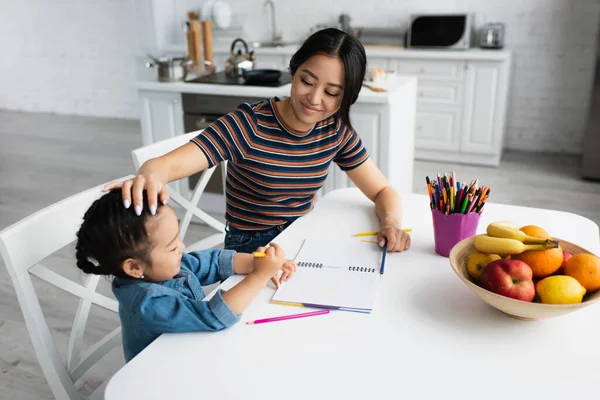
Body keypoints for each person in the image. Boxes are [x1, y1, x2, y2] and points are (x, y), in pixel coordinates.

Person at [105, 27, 411, 254]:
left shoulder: (335, 130)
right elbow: (165, 166)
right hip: (249, 247)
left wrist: (391, 224)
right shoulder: (248, 124)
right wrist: (149, 175)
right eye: (307, 80)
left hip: (302, 236)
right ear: (293, 72)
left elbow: (383, 190)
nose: (314, 99)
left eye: (332, 93)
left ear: (347, 97)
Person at [74, 189, 295, 362]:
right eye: (172, 247)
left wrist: (260, 263)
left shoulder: (165, 267)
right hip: (163, 378)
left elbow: (215, 262)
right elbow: (213, 316)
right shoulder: (148, 303)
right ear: (134, 267)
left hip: (193, 350)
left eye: (178, 238)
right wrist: (258, 276)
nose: (182, 247)